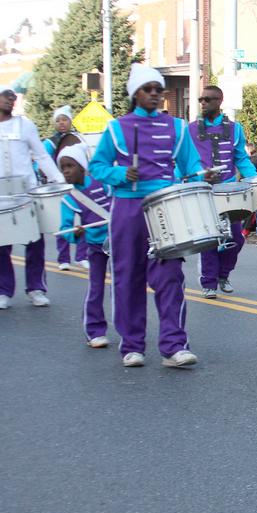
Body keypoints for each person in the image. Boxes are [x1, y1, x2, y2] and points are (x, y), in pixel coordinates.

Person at [89, 64, 212, 368]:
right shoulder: (117, 128)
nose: (155, 95)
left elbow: (190, 165)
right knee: (127, 276)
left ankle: (174, 346)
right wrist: (119, 173)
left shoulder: (177, 127)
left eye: (159, 90)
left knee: (170, 276)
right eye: (149, 89)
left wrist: (202, 175)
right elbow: (97, 167)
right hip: (127, 208)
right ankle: (132, 346)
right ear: (135, 94)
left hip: (164, 207)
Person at [0, 87, 64, 310]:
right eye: (6, 96)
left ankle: (36, 288)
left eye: (13, 97)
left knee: (34, 242)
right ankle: (2, 292)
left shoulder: (26, 125)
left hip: (25, 192)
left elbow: (41, 155)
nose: (10, 100)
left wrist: (58, 179)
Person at [188, 84, 257, 298]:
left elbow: (241, 158)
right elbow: (185, 159)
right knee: (209, 238)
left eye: (208, 99)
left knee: (236, 237)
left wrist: (256, 180)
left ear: (219, 101)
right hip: (203, 189)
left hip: (229, 191)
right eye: (201, 99)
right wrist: (196, 175)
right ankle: (208, 282)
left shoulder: (235, 128)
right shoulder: (190, 129)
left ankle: (223, 274)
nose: (203, 103)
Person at [57, 144, 112, 349]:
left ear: (82, 167)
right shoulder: (69, 198)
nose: (67, 171)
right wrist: (75, 232)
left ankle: (128, 331)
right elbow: (65, 227)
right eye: (63, 168)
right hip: (95, 246)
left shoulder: (103, 184)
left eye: (71, 165)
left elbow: (118, 202)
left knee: (122, 287)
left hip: (116, 241)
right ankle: (95, 331)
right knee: (96, 287)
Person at [45, 105, 88, 271]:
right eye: (58, 120)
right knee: (63, 222)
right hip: (58, 186)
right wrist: (55, 177)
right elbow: (41, 162)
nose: (61, 123)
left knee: (85, 221)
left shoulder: (79, 139)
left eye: (64, 119)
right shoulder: (49, 143)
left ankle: (81, 256)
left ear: (70, 121)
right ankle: (63, 258)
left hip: (78, 185)